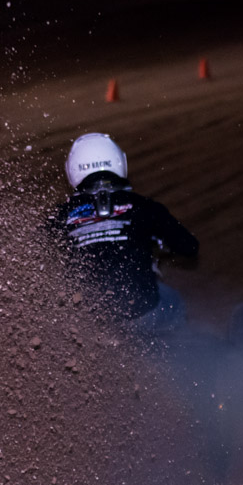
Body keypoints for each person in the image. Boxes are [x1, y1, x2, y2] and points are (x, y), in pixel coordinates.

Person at [50, 132, 199, 335]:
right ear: (120, 162)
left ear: (72, 170)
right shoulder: (143, 206)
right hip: (141, 311)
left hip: (88, 321)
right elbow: (190, 247)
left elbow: (36, 254)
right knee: (174, 301)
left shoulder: (60, 215)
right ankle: (178, 351)